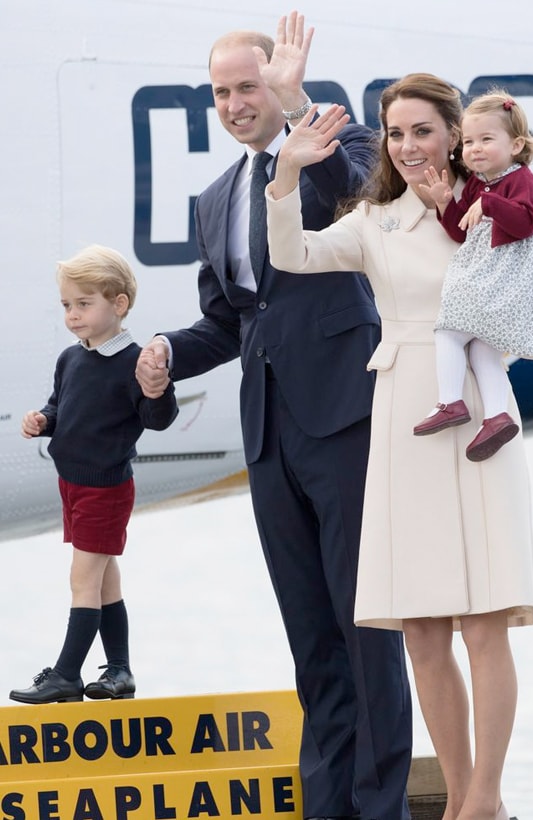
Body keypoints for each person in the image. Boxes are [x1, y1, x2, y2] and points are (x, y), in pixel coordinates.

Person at [133, 13, 413, 820]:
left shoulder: (337, 141)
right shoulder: (214, 197)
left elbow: (365, 203)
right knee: (310, 635)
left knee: (367, 626)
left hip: (347, 415)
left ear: (274, 81)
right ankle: (326, 804)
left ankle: (378, 805)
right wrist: (163, 354)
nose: (233, 102)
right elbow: (227, 321)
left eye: (246, 86)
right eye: (221, 92)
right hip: (269, 432)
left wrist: (299, 112)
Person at [264, 74, 533, 820]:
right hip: (403, 413)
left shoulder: (500, 206)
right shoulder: (374, 220)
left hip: (480, 407)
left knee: (485, 618)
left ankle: (485, 799)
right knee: (421, 625)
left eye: (423, 130)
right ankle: (455, 797)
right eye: (396, 133)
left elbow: (525, 293)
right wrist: (286, 172)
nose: (410, 146)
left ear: (455, 132)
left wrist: (466, 211)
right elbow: (294, 255)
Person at [11, 245, 178, 705]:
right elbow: (61, 408)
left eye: (84, 304)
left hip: (105, 487)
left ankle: (66, 675)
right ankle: (120, 671)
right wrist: (43, 421)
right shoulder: (71, 358)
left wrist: (159, 387)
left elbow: (156, 417)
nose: (73, 315)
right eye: (67, 305)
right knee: (104, 579)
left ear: (119, 304)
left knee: (82, 580)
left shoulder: (135, 362)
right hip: (73, 484)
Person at [413, 89, 533, 461]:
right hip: (496, 276)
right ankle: (497, 416)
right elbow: (462, 231)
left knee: (448, 330)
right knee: (482, 346)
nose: (475, 149)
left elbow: (527, 222)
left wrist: (491, 203)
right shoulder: (481, 184)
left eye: (486, 139)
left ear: (515, 145)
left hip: (513, 278)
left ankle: (450, 401)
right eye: (468, 141)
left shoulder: (522, 180)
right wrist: (447, 203)